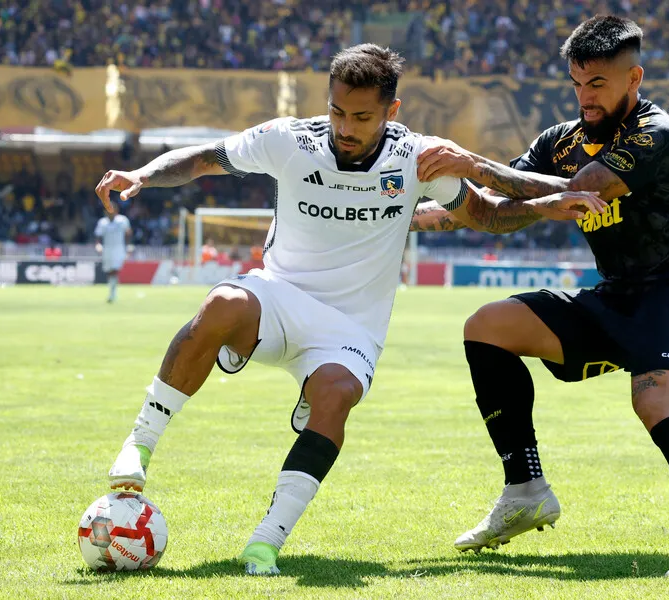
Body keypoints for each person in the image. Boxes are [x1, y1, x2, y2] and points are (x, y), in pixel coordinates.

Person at [93, 43, 602, 577]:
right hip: (279, 295)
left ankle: (264, 544)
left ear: (391, 111)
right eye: (338, 111)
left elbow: (482, 214)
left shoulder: (419, 157)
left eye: (362, 116)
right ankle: (139, 445)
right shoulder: (288, 139)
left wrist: (547, 205)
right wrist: (144, 174)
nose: (346, 126)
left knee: (334, 395)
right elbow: (204, 158)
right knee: (222, 300)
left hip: (351, 328)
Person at [414, 16, 669, 577]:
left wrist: (473, 164)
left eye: (596, 84)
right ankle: (525, 489)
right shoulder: (559, 140)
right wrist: (408, 218)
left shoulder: (656, 133)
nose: (584, 96)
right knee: (487, 326)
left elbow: (582, 188)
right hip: (612, 297)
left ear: (633, 78)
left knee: (656, 404)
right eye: (576, 83)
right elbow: (496, 214)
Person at [94, 200, 132, 303]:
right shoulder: (102, 222)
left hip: (119, 249)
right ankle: (112, 290)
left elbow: (128, 234)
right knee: (109, 271)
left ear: (116, 210)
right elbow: (98, 236)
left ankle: (113, 293)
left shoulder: (123, 220)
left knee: (115, 270)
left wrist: (128, 246)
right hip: (107, 249)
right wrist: (98, 245)